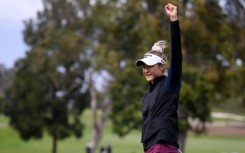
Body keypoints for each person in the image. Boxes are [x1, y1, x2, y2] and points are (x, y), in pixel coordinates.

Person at [135, 3, 182, 153]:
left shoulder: (169, 85)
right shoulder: (148, 92)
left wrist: (174, 20)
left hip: (161, 147)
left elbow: (176, 58)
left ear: (162, 66)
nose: (146, 70)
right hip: (152, 148)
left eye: (149, 66)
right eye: (144, 67)